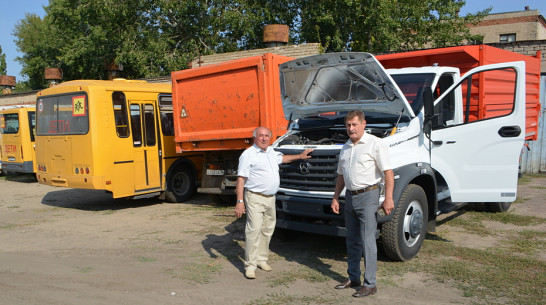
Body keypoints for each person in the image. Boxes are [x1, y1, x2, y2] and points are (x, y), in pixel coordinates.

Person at [331, 110, 394, 298]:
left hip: (368, 195)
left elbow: (388, 172)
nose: (351, 128)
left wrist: (388, 198)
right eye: (348, 125)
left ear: (363, 124)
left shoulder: (376, 143)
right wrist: (335, 197)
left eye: (354, 124)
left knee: (367, 240)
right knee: (352, 239)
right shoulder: (346, 147)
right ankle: (354, 278)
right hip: (350, 197)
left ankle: (370, 284)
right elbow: (341, 175)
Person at [235, 126, 312, 279]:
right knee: (254, 230)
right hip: (255, 197)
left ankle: (261, 259)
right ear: (255, 138)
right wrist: (239, 201)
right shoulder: (248, 155)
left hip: (270, 198)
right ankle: (250, 265)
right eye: (261, 136)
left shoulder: (271, 152)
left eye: (266, 136)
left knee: (267, 229)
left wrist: (300, 156)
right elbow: (241, 179)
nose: (264, 138)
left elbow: (282, 158)